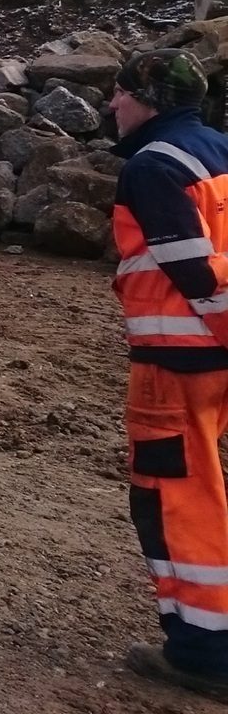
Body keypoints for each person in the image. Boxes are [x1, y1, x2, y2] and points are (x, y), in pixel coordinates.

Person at [111, 49, 228, 697]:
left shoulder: (154, 168)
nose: (111, 105)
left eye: (120, 92)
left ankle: (202, 652)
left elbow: (195, 276)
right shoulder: (220, 152)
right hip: (211, 365)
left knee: (174, 502)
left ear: (148, 99)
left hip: (176, 368)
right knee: (206, 487)